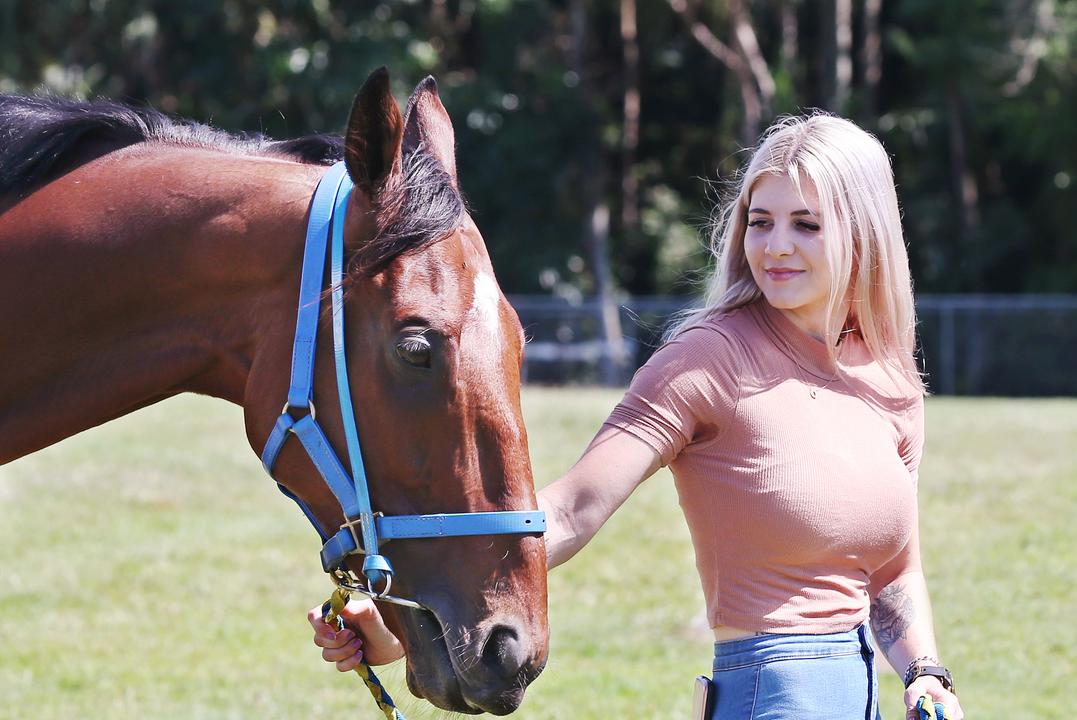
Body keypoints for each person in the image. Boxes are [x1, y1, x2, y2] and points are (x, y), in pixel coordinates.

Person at [309, 112, 965, 720]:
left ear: (863, 231)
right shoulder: (707, 359)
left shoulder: (890, 379)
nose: (776, 247)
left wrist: (926, 673)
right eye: (760, 221)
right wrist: (409, 611)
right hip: (768, 696)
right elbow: (569, 512)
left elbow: (894, 571)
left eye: (806, 224)